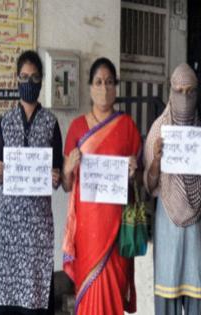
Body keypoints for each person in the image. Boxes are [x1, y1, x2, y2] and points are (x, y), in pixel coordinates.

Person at [61, 57, 141, 315]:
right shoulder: (77, 128)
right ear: (90, 87)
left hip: (116, 228)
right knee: (89, 291)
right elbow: (66, 185)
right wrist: (67, 168)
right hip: (87, 228)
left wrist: (133, 171)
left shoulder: (127, 127)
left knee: (113, 292)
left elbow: (139, 184)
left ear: (116, 87)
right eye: (98, 82)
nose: (104, 88)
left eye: (109, 82)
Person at [143, 63, 201, 315]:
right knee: (167, 297)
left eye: (190, 91)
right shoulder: (158, 129)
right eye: (179, 91)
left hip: (198, 229)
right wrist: (156, 160)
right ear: (170, 92)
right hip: (168, 227)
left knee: (199, 297)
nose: (184, 98)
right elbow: (148, 185)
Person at [0, 50, 63, 315]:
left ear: (42, 81)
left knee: (35, 295)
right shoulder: (5, 121)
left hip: (38, 227)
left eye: (34, 77)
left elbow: (57, 172)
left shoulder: (51, 123)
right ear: (16, 79)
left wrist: (56, 177)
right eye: (24, 77)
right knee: (6, 297)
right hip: (9, 226)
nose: (29, 82)